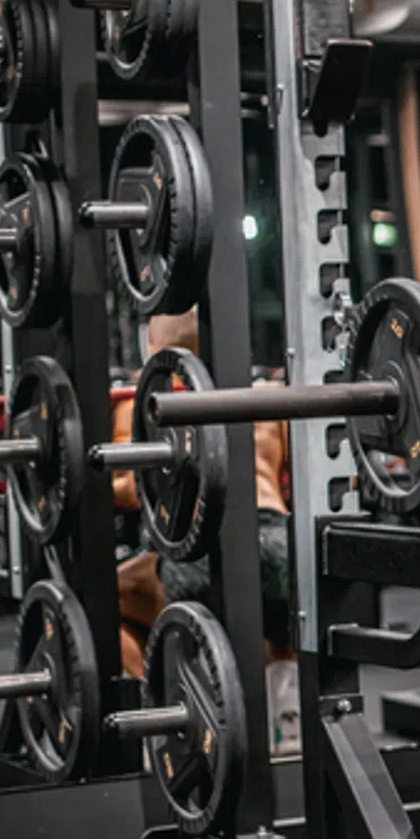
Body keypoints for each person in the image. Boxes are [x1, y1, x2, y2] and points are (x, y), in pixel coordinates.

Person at [113, 308, 301, 754]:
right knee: (285, 608)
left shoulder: (144, 404)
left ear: (156, 348)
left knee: (103, 599)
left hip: (196, 553)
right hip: (277, 539)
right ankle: (287, 714)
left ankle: (158, 720)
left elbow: (123, 489)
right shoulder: (270, 399)